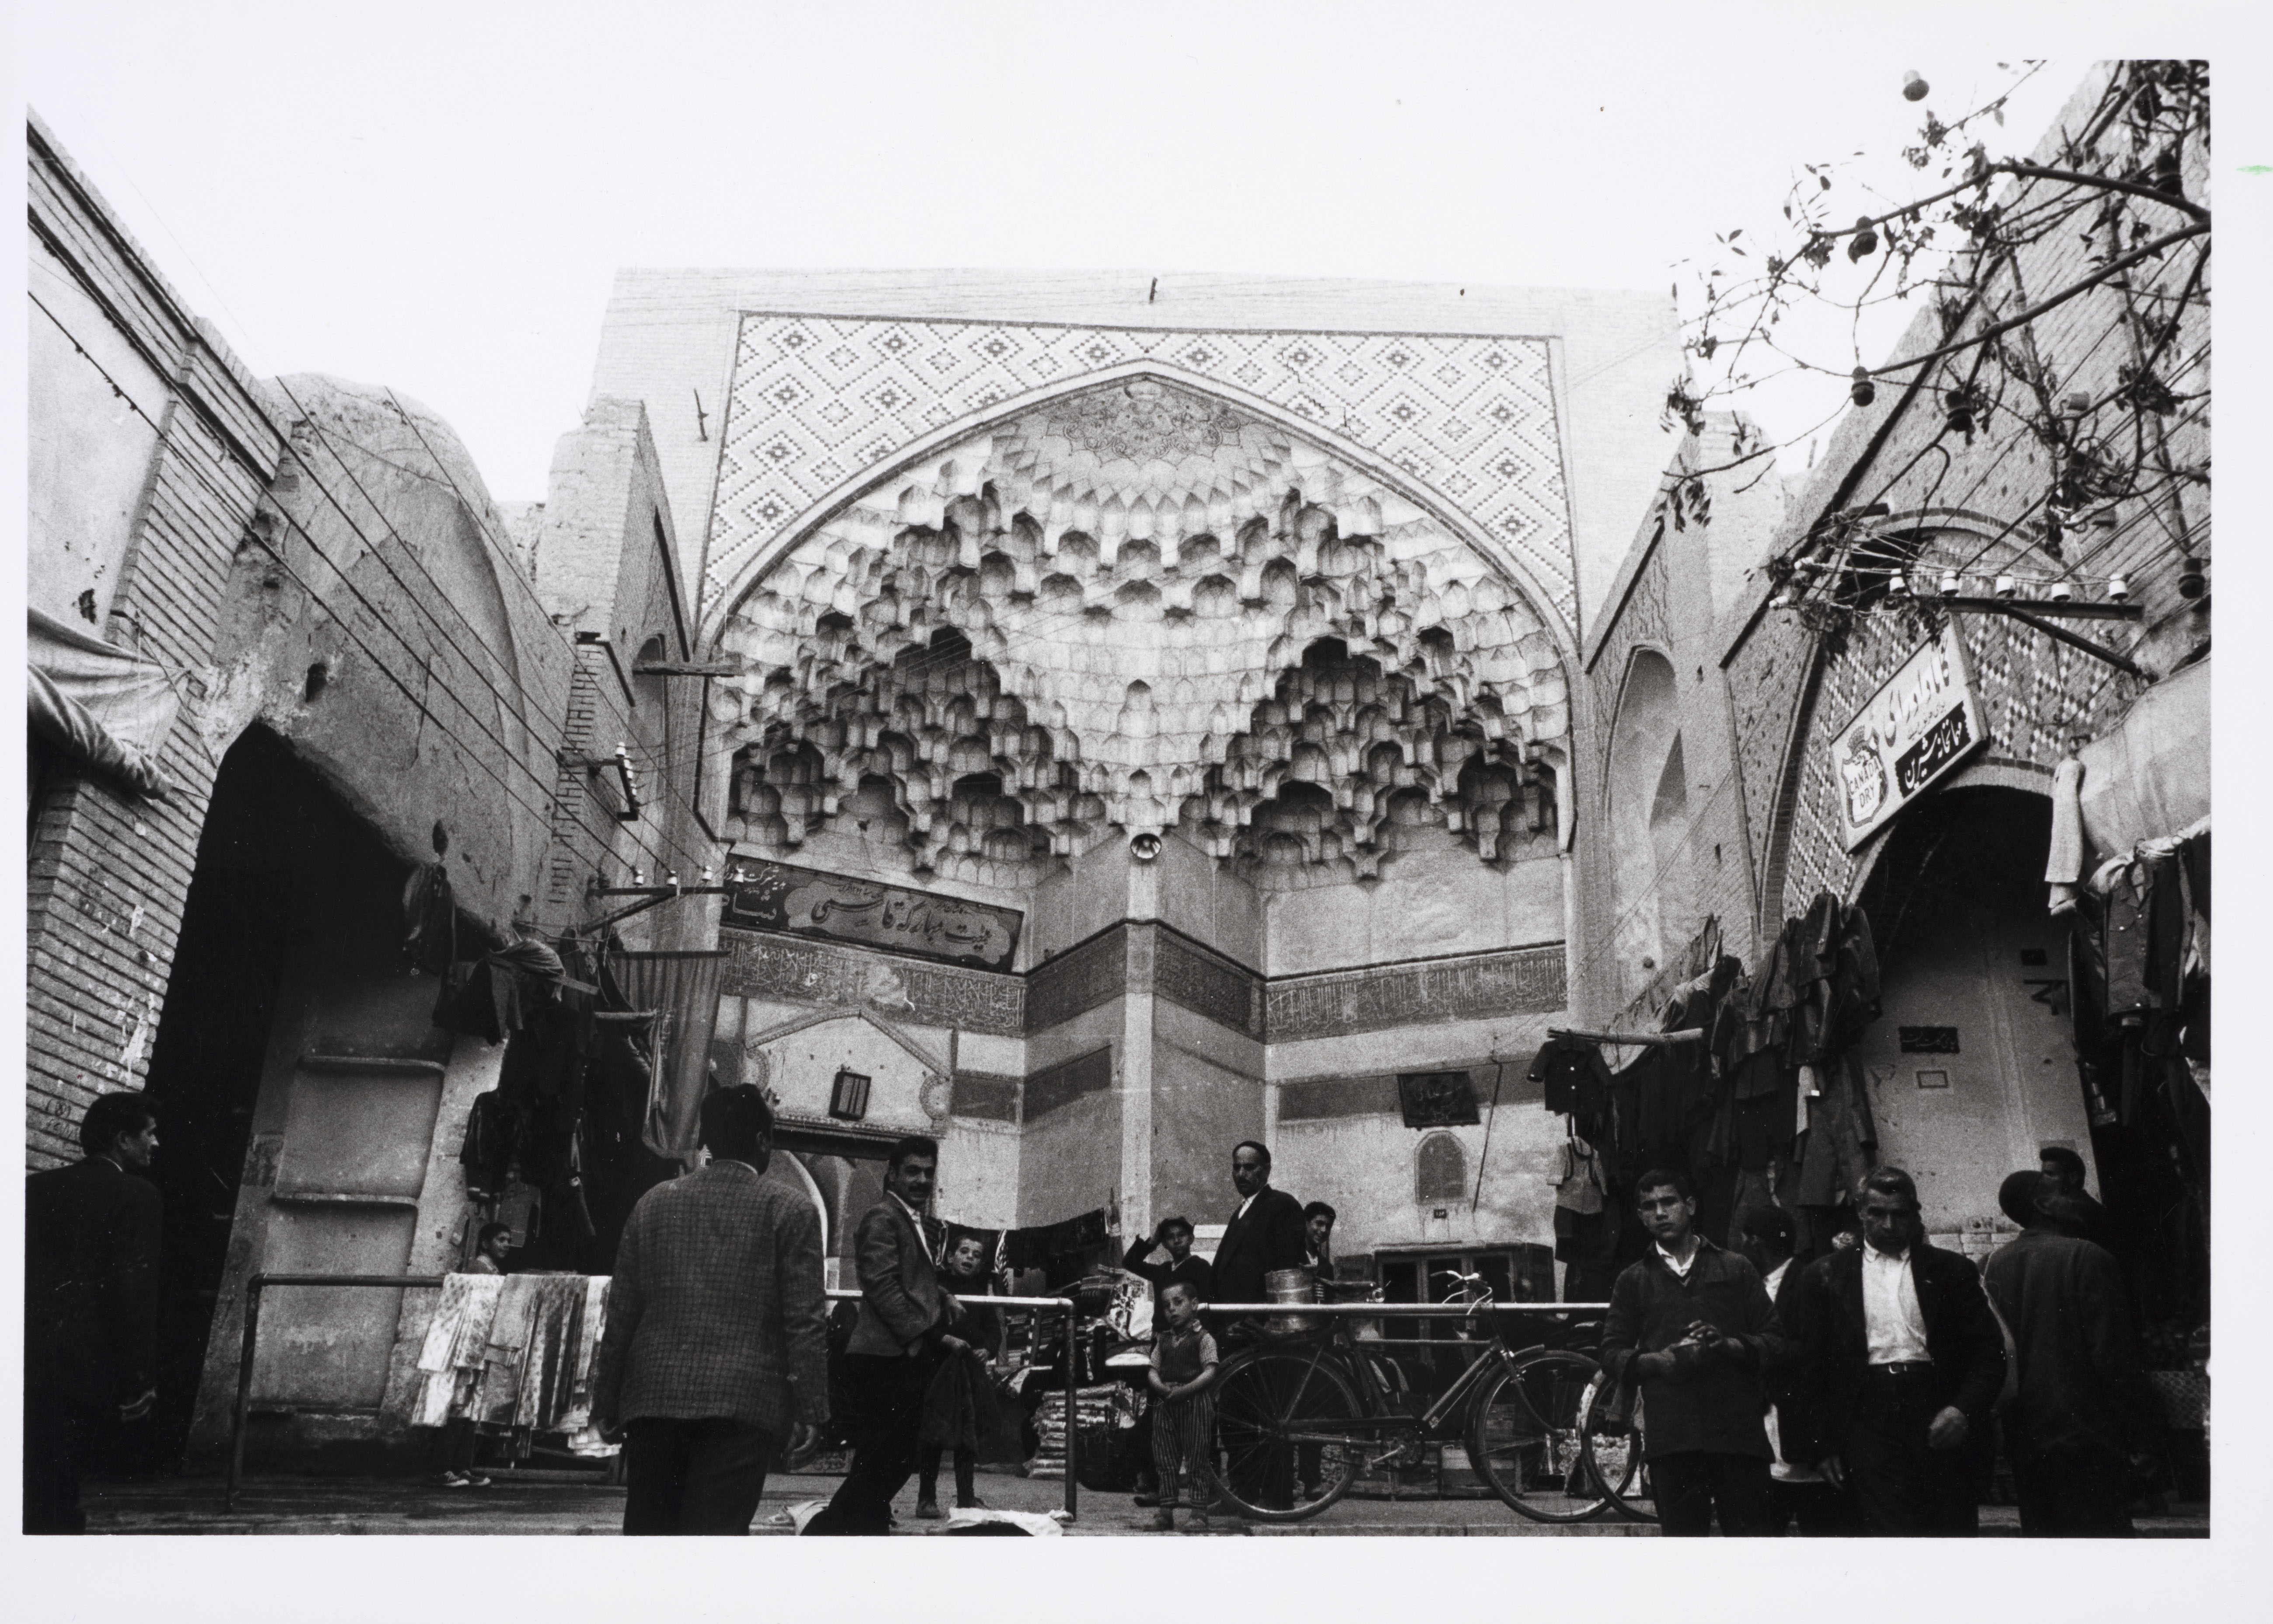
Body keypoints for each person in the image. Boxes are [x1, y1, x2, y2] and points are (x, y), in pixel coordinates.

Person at [591, 1085, 828, 1534]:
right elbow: (805, 1320)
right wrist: (811, 1408)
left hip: (653, 1398)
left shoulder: (653, 1202)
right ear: (763, 1141)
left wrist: (606, 1399)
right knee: (714, 1543)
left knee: (650, 1537)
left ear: (707, 1139)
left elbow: (621, 1311)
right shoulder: (791, 1209)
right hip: (741, 1405)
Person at [1782, 1166, 2005, 1536]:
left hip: (1938, 1408)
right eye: (1877, 1213)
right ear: (1860, 1212)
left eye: (1899, 1214)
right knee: (1888, 1534)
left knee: (1951, 1530)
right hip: (1867, 1416)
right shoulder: (1825, 1276)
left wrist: (1963, 1410)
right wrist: (1821, 1446)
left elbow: (1988, 1351)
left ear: (1915, 1214)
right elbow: (1808, 1365)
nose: (1889, 1225)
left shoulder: (1951, 1272)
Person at [1598, 1169, 1786, 1537]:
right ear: (1640, 1216)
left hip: (1737, 1436)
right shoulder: (1633, 1280)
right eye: (1649, 1206)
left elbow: (1775, 1340)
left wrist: (1727, 1345)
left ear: (1691, 1206)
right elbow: (1610, 1351)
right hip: (1673, 1440)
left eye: (1669, 1202)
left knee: (1752, 1551)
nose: (1660, 1213)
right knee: (1684, 1553)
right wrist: (1657, 1361)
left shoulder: (1735, 1267)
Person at [805, 1135, 977, 1536]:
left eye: (929, 1173)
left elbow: (911, 1275)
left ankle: (862, 1530)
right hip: (885, 1357)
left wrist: (943, 1295)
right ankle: (826, 1532)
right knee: (889, 1459)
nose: (922, 1181)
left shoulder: (907, 1218)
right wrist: (928, 1337)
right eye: (913, 1172)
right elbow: (881, 1284)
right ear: (893, 1175)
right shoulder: (883, 1217)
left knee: (886, 1460)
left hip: (896, 1355)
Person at [1984, 1170, 2158, 1536]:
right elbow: (2113, 1358)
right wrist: (2140, 1434)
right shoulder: (2088, 1256)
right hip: (2087, 1435)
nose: (2076, 1199)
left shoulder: (1997, 1263)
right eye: (2064, 1192)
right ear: (2043, 1205)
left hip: (2027, 1437)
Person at [23, 1092, 163, 1535]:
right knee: (60, 1492)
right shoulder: (137, 1196)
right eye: (150, 1133)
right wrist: (137, 1380)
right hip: (84, 1370)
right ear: (123, 1139)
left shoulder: (36, 1187)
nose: (156, 1143)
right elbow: (133, 1294)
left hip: (26, 1360)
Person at [1736, 1205, 1853, 1535]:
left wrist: (1762, 1348)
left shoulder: (1810, 1281)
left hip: (1803, 1440)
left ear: (1756, 1242)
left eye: (1744, 1239)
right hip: (1765, 1444)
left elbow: (1822, 1354)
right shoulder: (1751, 1286)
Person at [915, 1232, 1004, 1520]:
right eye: (964, 1252)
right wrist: (946, 1340)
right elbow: (922, 1324)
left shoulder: (979, 1292)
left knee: (968, 1434)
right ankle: (926, 1498)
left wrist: (987, 1350)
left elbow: (994, 1330)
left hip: (969, 1370)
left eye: (976, 1256)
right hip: (938, 1367)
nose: (969, 1258)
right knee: (934, 1433)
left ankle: (966, 1498)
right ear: (951, 1256)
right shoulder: (935, 1285)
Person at [427, 1224, 515, 1487]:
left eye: (509, 1240)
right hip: (469, 1346)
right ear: (486, 1243)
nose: (507, 1244)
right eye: (501, 1239)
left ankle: (461, 1468)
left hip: (480, 1347)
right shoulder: (480, 1268)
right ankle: (441, 1470)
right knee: (458, 1408)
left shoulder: (491, 1270)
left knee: (469, 1411)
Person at [1134, 1279, 1220, 1535]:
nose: (1171, 1309)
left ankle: (1199, 1514)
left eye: (1178, 1302)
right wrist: (1162, 1389)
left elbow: (1210, 1371)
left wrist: (1186, 1390)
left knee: (1197, 1460)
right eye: (1166, 1305)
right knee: (1165, 1459)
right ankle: (1165, 1513)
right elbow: (1152, 1370)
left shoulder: (1204, 1339)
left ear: (1194, 1305)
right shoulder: (1162, 1340)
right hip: (1166, 1405)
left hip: (1195, 1403)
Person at [1209, 1141, 1308, 1328]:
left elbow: (1288, 1271)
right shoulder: (1241, 1211)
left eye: (1249, 1167)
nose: (1241, 1174)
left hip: (1258, 1326)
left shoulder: (1282, 1206)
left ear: (1267, 1170)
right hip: (1232, 1323)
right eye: (1236, 1167)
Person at [2038, 1146, 2118, 1254]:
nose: (2042, 1180)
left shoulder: (2077, 1212)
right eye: (2042, 1175)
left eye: (2050, 1174)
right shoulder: (2082, 1207)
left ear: (2073, 1178)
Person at [1123, 1216, 1213, 1308]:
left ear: (1191, 1239)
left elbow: (1206, 1304)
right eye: (1170, 1237)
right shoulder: (1163, 1271)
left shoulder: (1200, 1267)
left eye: (1181, 1235)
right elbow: (1129, 1262)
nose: (1177, 1241)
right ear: (1165, 1244)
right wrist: (1153, 1242)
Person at [1302, 1201, 1338, 1282]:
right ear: (1306, 1222)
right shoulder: (1292, 1259)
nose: (1324, 1230)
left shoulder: (1327, 1267)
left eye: (1328, 1226)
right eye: (1319, 1224)